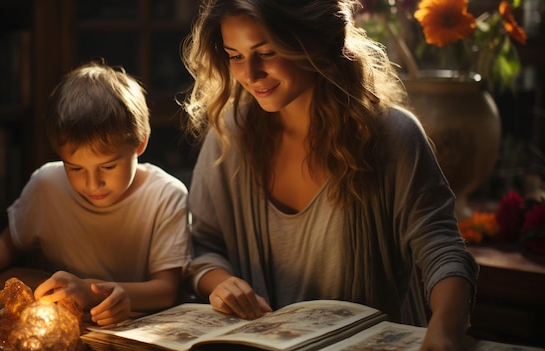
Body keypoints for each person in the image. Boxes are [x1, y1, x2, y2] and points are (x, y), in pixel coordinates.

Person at [179, 0, 479, 349]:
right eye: (235, 55)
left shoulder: (392, 134)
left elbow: (441, 247)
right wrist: (220, 283)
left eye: (268, 51)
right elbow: (203, 246)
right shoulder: (229, 136)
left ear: (315, 42)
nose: (251, 73)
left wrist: (445, 327)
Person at [0, 61, 191, 326]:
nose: (93, 183)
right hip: (61, 323)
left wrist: (101, 292)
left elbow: (167, 289)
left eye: (108, 166)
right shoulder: (47, 184)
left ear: (140, 144)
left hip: (134, 328)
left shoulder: (166, 196)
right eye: (76, 168)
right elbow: (8, 244)